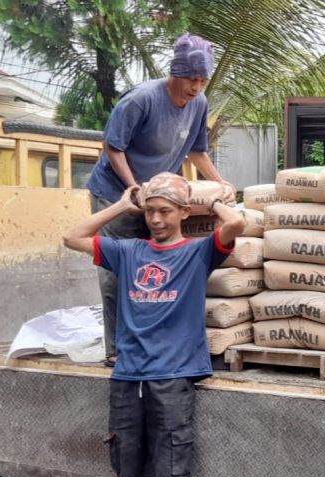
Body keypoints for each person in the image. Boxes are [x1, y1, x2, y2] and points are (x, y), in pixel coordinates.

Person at [64, 171, 245, 477]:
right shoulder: (127, 251)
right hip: (127, 376)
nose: (156, 219)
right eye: (150, 211)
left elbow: (236, 225)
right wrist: (122, 205)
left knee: (170, 471)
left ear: (184, 212)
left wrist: (213, 200)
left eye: (165, 211)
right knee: (126, 469)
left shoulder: (198, 253)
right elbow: (71, 237)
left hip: (172, 377)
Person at [86, 33, 234, 366]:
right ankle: (116, 349)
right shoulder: (141, 100)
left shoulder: (199, 103)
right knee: (117, 269)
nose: (196, 87)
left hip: (156, 196)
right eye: (191, 79)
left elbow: (197, 151)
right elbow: (114, 147)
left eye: (202, 80)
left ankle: (149, 339)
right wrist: (133, 189)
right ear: (175, 73)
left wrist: (221, 183)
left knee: (153, 270)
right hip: (117, 194)